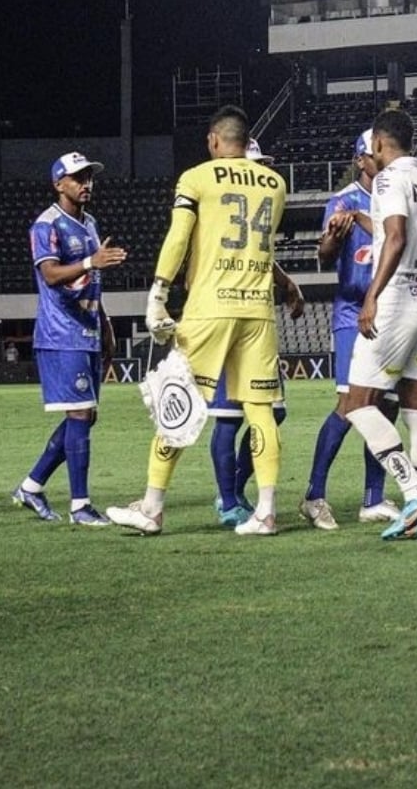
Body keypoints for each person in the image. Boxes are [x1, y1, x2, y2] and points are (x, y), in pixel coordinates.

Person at [109, 108, 290, 535]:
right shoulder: (276, 184)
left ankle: (151, 507)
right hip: (258, 308)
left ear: (213, 141)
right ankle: (265, 512)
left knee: (178, 402)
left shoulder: (197, 178)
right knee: (261, 410)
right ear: (246, 143)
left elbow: (179, 236)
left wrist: (158, 293)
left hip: (210, 305)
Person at [340, 108, 417, 540]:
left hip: (398, 298)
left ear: (381, 145)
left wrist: (372, 295)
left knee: (358, 405)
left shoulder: (388, 179)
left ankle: (413, 494)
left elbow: (396, 236)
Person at [12, 152, 127, 525]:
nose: (86, 184)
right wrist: (93, 261)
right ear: (59, 183)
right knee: (79, 414)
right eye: (78, 178)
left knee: (86, 416)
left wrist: (105, 323)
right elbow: (49, 275)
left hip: (88, 330)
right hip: (61, 332)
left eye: (89, 177)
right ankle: (80, 506)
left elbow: (93, 281)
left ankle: (31, 486)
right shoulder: (46, 225)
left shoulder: (89, 223)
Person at [299, 129, 398, 530]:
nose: (382, 160)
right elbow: (324, 254)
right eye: (375, 154)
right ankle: (313, 495)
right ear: (361, 160)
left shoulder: (393, 197)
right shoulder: (343, 200)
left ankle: (373, 498)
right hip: (352, 313)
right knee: (349, 405)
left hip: (390, 313)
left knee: (386, 405)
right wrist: (333, 238)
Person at [208, 137, 301, 527]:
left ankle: (233, 490)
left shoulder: (255, 206)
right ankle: (229, 500)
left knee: (273, 412)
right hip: (225, 316)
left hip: (256, 318)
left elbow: (260, 254)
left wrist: (285, 283)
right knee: (228, 418)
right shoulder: (215, 202)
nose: (263, 170)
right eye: (257, 163)